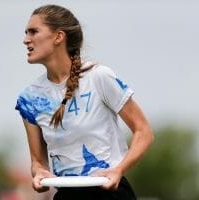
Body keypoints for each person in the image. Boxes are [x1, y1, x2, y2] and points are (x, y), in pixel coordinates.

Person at [15, 4, 154, 200]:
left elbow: (144, 131)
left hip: (110, 194)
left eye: (33, 31)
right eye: (26, 32)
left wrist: (119, 169)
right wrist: (40, 173)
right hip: (66, 196)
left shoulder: (99, 77)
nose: (25, 39)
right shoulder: (28, 99)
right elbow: (37, 162)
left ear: (58, 37)